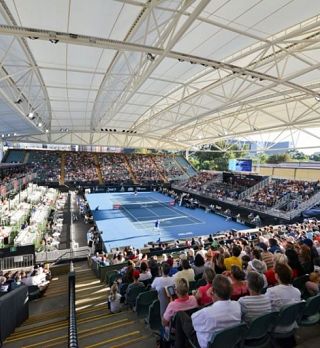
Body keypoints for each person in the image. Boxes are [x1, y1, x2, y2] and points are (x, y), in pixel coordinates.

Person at [174, 275, 241, 348]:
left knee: (180, 315)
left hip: (207, 344)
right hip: (230, 342)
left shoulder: (206, 313)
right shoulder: (237, 305)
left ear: (212, 291)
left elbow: (194, 324)